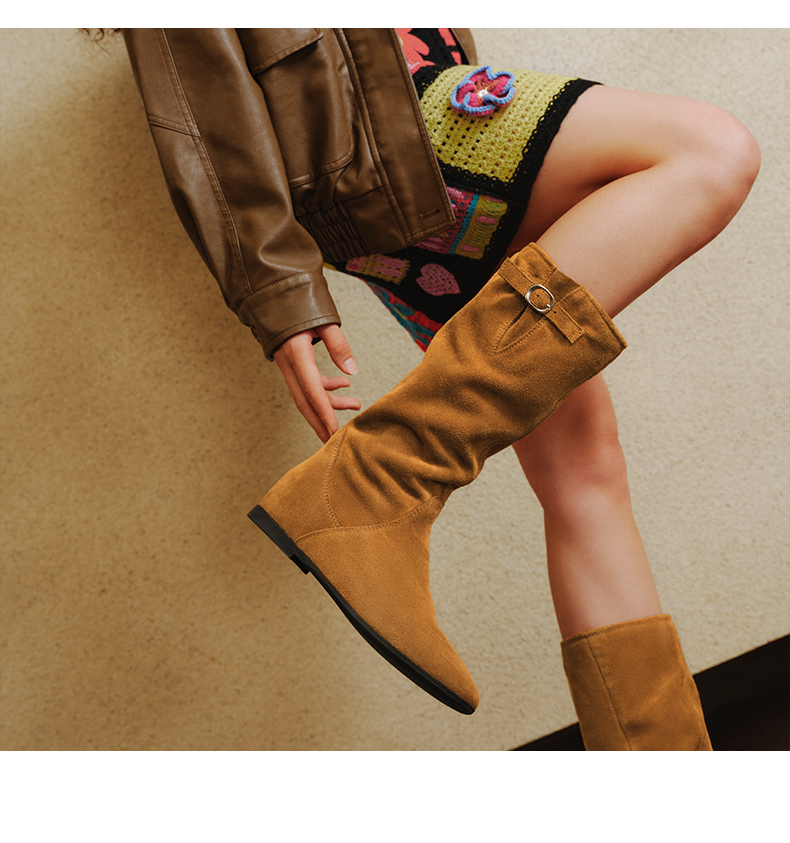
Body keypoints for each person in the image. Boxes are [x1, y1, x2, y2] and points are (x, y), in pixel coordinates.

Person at [121, 28, 760, 749]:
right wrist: (277, 296)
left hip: (409, 181)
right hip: (396, 131)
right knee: (710, 151)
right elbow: (199, 109)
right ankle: (378, 477)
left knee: (585, 475)